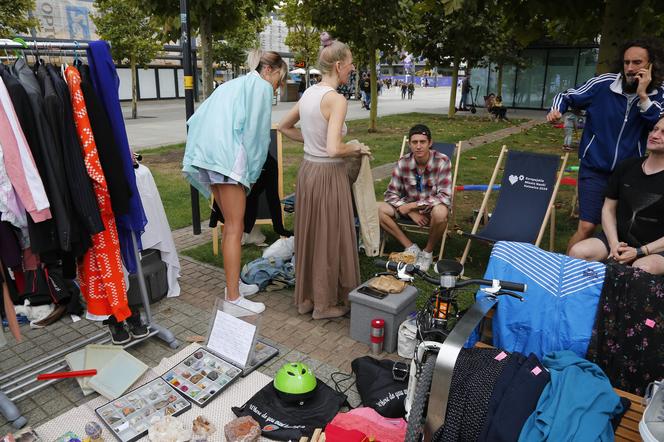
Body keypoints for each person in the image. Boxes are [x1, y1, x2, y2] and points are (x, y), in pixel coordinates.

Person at [182, 49, 287, 314]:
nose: (277, 88)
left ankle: (234, 287)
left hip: (209, 158)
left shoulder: (233, 84)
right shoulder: (260, 87)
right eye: (279, 80)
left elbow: (195, 119)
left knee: (231, 226)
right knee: (234, 228)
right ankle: (233, 299)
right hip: (228, 162)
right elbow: (257, 136)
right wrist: (249, 174)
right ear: (269, 71)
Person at [279, 32, 370, 319]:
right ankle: (324, 304)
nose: (353, 68)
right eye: (351, 63)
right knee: (330, 238)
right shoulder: (336, 99)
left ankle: (307, 300)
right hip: (328, 175)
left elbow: (283, 126)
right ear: (340, 65)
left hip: (308, 172)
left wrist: (310, 144)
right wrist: (354, 148)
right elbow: (333, 148)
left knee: (311, 236)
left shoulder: (309, 93)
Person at [547, 39, 664, 253]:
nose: (629, 68)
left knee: (625, 230)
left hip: (631, 175)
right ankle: (563, 274)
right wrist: (557, 110)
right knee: (587, 226)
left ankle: (611, 274)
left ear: (651, 65)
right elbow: (566, 96)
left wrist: (643, 95)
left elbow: (658, 124)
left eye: (637, 62)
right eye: (626, 62)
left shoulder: (659, 95)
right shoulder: (603, 84)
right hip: (594, 169)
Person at [569, 116, 664, 275]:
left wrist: (641, 251)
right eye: (655, 129)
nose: (655, 135)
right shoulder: (627, 166)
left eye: (663, 133)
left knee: (640, 270)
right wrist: (614, 244)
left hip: (655, 250)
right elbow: (608, 208)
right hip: (618, 240)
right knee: (578, 252)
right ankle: (576, 298)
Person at [377, 124, 452, 272]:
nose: (418, 146)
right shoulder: (403, 162)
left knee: (441, 213)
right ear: (409, 144)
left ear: (430, 143)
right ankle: (411, 248)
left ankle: (427, 252)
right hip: (408, 207)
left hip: (432, 209)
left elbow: (445, 196)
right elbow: (390, 194)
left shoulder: (442, 161)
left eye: (422, 142)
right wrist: (409, 211)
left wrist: (413, 206)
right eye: (414, 142)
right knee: (376, 208)